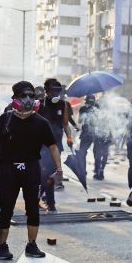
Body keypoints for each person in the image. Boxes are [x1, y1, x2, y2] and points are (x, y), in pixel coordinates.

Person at [0, 81, 63, 260]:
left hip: (32, 168)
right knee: (6, 209)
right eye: (23, 95)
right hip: (9, 168)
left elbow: (53, 146)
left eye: (31, 96)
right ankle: (2, 247)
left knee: (33, 209)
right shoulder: (5, 118)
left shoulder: (41, 122)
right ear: (14, 98)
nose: (28, 99)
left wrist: (59, 170)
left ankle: (31, 246)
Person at [38, 78, 74, 212]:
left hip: (56, 145)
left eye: (58, 91)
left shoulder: (63, 105)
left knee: (51, 173)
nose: (55, 94)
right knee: (43, 174)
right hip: (42, 145)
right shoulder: (39, 104)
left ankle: (50, 202)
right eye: (53, 91)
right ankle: (45, 200)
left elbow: (65, 124)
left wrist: (69, 136)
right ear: (46, 91)